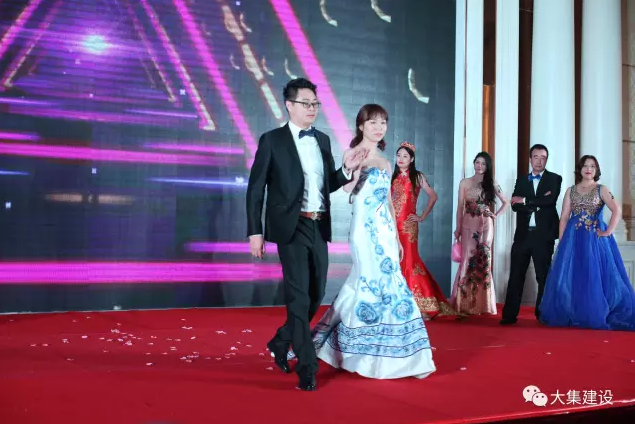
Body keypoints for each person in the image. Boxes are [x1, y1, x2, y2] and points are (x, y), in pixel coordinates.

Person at [290, 104, 436, 380]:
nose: (379, 127)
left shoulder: (386, 162)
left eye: (383, 122)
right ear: (361, 125)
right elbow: (347, 189)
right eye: (373, 122)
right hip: (363, 230)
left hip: (385, 231)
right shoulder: (352, 154)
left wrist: (396, 236)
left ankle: (401, 354)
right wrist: (354, 168)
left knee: (390, 283)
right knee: (368, 282)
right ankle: (360, 351)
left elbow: (389, 202)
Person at [246, 78, 366, 391]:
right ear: (289, 105)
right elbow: (256, 188)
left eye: (315, 104)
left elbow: (328, 184)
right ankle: (307, 367)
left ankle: (281, 340)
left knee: (315, 295)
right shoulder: (272, 140)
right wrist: (255, 231)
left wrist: (346, 170)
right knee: (298, 298)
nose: (312, 109)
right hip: (290, 227)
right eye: (306, 103)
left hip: (318, 225)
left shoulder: (322, 140)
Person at [538, 155, 635, 331]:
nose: (588, 169)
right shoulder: (571, 190)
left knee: (594, 275)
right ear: (580, 169)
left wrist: (608, 232)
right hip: (573, 238)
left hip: (594, 240)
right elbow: (564, 217)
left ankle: (595, 313)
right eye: (585, 166)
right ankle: (576, 313)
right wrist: (562, 241)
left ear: (596, 170)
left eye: (592, 166)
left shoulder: (601, 189)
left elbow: (617, 210)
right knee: (576, 275)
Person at [391, 142, 455, 318]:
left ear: (412, 159)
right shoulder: (391, 176)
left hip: (408, 226)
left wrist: (421, 216)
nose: (401, 159)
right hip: (391, 226)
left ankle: (421, 305)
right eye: (398, 155)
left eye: (405, 156)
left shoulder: (418, 176)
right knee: (394, 262)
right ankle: (398, 304)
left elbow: (433, 196)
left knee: (409, 262)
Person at [500, 144, 562, 325]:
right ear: (530, 159)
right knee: (516, 275)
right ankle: (509, 315)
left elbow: (550, 201)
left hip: (544, 235)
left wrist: (526, 200)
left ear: (546, 160)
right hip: (523, 235)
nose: (539, 161)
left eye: (543, 157)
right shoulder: (522, 180)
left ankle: (542, 314)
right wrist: (537, 202)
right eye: (536, 157)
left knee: (543, 276)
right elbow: (514, 205)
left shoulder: (554, 178)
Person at [451, 152, 510, 316]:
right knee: (467, 258)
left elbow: (506, 202)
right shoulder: (465, 182)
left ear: (487, 166)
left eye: (483, 163)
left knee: (484, 260)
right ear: (474, 163)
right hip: (468, 223)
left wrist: (495, 215)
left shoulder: (492, 183)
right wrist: (458, 227)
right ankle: (463, 303)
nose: (480, 166)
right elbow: (460, 207)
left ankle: (483, 304)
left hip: (485, 224)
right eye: (477, 162)